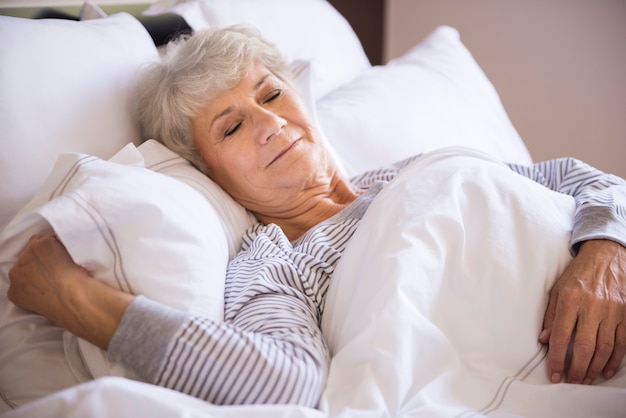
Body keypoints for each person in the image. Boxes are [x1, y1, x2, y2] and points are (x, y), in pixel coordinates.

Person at [7, 25, 626, 407]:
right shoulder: (274, 264)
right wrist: (78, 301)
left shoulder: (412, 170)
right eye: (233, 126)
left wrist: (605, 252)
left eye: (272, 94)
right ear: (209, 171)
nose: (271, 123)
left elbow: (577, 179)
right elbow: (286, 384)